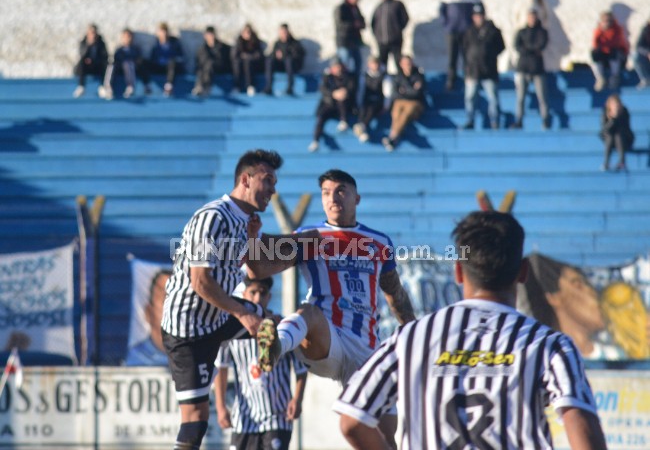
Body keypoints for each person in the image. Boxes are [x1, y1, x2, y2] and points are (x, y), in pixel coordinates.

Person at [334, 211, 608, 450]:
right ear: (523, 272)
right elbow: (579, 421)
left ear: (458, 271)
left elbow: (352, 420)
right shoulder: (550, 345)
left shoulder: (410, 338)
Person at [161, 149, 319, 450]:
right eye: (267, 180)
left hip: (218, 316)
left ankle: (269, 375)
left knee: (274, 322)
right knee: (195, 421)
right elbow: (200, 281)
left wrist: (302, 249)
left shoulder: (245, 221)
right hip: (188, 330)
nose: (273, 189)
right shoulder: (212, 218)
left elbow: (258, 268)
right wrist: (243, 314)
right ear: (245, 179)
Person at [256, 169, 415, 447]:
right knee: (308, 312)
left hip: (367, 348)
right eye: (326, 193)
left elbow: (395, 294)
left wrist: (414, 332)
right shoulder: (309, 236)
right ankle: (276, 346)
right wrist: (248, 235)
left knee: (386, 437)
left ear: (357, 198)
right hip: (327, 338)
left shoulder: (379, 243)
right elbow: (265, 262)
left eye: (341, 190)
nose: (333, 198)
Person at [214, 274, 308, 450]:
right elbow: (221, 367)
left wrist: (297, 399)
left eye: (262, 293)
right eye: (253, 292)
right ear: (244, 295)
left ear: (269, 297)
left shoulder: (282, 326)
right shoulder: (231, 330)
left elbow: (301, 368)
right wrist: (220, 407)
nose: (258, 298)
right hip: (244, 417)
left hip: (277, 416)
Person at [524, 253, 624, 360]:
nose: (593, 293)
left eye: (589, 284)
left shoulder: (618, 358)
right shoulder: (537, 361)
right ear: (554, 298)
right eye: (578, 284)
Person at [462, 4, 505, 130]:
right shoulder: (469, 31)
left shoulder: (493, 30)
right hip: (473, 70)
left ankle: (495, 122)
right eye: (476, 16)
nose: (478, 18)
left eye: (480, 15)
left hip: (489, 70)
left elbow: (501, 47)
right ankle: (470, 120)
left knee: (493, 98)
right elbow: (465, 49)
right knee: (470, 97)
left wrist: (489, 56)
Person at [439, 0, 482, 90]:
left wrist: (475, 27)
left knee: (468, 57)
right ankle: (451, 81)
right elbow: (442, 11)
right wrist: (446, 25)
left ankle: (468, 80)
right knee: (452, 57)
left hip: (467, 32)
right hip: (452, 31)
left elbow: (479, 11)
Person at [513, 8, 550, 129]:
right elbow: (517, 46)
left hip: (537, 69)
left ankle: (545, 119)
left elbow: (541, 45)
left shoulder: (542, 32)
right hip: (523, 68)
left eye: (534, 17)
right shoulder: (522, 32)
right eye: (530, 17)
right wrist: (532, 49)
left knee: (542, 97)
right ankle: (519, 119)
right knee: (520, 97)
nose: (532, 19)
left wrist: (527, 48)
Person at [308, 58, 355, 153]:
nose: (338, 69)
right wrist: (333, 93)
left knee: (342, 99)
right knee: (321, 118)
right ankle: (316, 141)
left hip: (343, 105)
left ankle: (343, 121)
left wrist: (343, 92)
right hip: (328, 104)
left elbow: (352, 88)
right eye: (335, 67)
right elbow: (322, 89)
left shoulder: (348, 76)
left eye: (339, 67)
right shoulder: (327, 77)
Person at [125, 268, 171, 366]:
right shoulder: (137, 357)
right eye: (165, 300)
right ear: (148, 312)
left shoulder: (196, 354)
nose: (173, 309)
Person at [381, 55, 426, 152]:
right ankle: (394, 137)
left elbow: (417, 93)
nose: (407, 66)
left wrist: (404, 91)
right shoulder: (398, 77)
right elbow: (395, 94)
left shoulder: (418, 75)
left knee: (406, 112)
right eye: (405, 64)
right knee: (396, 111)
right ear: (401, 64)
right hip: (401, 102)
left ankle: (393, 136)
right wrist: (411, 89)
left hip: (415, 103)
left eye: (409, 63)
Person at [99, 28, 146, 100]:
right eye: (125, 37)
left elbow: (139, 60)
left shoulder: (136, 49)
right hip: (119, 70)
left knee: (128, 63)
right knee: (111, 65)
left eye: (129, 36)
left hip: (132, 70)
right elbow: (115, 60)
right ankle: (108, 87)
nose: (127, 39)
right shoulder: (119, 50)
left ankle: (130, 86)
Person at [353, 55, 392, 143]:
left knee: (371, 109)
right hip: (367, 100)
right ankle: (363, 131)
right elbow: (361, 90)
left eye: (376, 64)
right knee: (363, 109)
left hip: (378, 101)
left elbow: (387, 92)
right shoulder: (364, 76)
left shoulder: (384, 76)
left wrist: (386, 106)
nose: (374, 66)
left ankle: (362, 126)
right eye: (372, 64)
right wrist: (359, 103)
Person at [371, 0, 409, 71]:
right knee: (382, 63)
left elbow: (405, 18)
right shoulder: (379, 7)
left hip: (395, 40)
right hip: (382, 41)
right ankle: (384, 82)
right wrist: (377, 35)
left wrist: (397, 30)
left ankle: (400, 81)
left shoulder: (397, 4)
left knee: (398, 62)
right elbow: (373, 23)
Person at [591, 10, 629, 92]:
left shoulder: (617, 29)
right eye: (605, 21)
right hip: (605, 55)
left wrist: (605, 47)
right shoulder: (598, 31)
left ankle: (614, 77)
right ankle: (600, 78)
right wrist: (600, 31)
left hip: (617, 55)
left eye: (609, 20)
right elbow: (595, 44)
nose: (608, 23)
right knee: (594, 53)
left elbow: (616, 43)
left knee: (614, 52)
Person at [263, 23, 305, 96]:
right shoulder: (277, 43)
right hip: (281, 66)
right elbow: (272, 54)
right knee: (269, 61)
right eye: (282, 33)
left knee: (288, 61)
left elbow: (296, 56)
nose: (283, 34)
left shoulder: (294, 43)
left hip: (292, 66)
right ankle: (268, 87)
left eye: (285, 32)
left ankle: (290, 88)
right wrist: (275, 55)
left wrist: (284, 55)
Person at [334, 0, 366, 84]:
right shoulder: (341, 8)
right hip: (344, 41)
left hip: (355, 41)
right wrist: (353, 24)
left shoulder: (356, 8)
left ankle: (355, 85)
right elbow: (339, 24)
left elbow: (362, 21)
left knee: (358, 63)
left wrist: (360, 24)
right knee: (344, 64)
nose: (356, 1)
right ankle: (343, 84)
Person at [146, 22, 184, 96]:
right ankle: (147, 85)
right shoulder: (156, 47)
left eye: (165, 31)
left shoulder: (175, 44)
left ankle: (169, 86)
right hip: (159, 68)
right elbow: (152, 59)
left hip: (171, 69)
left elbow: (180, 57)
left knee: (171, 62)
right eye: (161, 31)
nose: (163, 33)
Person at [192, 26, 231, 97]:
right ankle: (199, 87)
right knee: (202, 68)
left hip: (218, 68)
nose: (210, 37)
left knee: (209, 64)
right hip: (205, 69)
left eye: (211, 35)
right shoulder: (202, 48)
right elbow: (200, 61)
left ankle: (206, 86)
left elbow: (221, 60)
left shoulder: (221, 46)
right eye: (208, 35)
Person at [600, 93, 634, 172]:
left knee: (618, 135)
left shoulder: (624, 112)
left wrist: (618, 117)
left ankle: (622, 162)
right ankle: (606, 163)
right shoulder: (605, 112)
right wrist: (613, 119)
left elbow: (626, 128)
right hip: (609, 139)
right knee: (610, 136)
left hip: (624, 138)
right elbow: (605, 130)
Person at [73, 24, 108, 98]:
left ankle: (103, 86)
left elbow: (105, 56)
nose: (93, 35)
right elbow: (82, 55)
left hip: (97, 67)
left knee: (105, 64)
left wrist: (95, 60)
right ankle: (81, 86)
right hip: (86, 67)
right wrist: (88, 45)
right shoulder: (83, 43)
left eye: (94, 33)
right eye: (91, 33)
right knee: (82, 62)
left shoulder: (101, 43)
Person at [231, 23, 265, 96]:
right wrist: (242, 57)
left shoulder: (255, 41)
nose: (247, 34)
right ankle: (236, 86)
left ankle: (250, 86)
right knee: (237, 63)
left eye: (249, 32)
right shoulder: (239, 41)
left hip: (253, 65)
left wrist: (249, 57)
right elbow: (234, 55)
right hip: (241, 65)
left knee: (248, 62)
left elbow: (259, 54)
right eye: (245, 32)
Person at [633, 16, 650, 89]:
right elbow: (638, 46)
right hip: (647, 56)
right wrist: (648, 53)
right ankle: (646, 79)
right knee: (636, 56)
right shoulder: (646, 30)